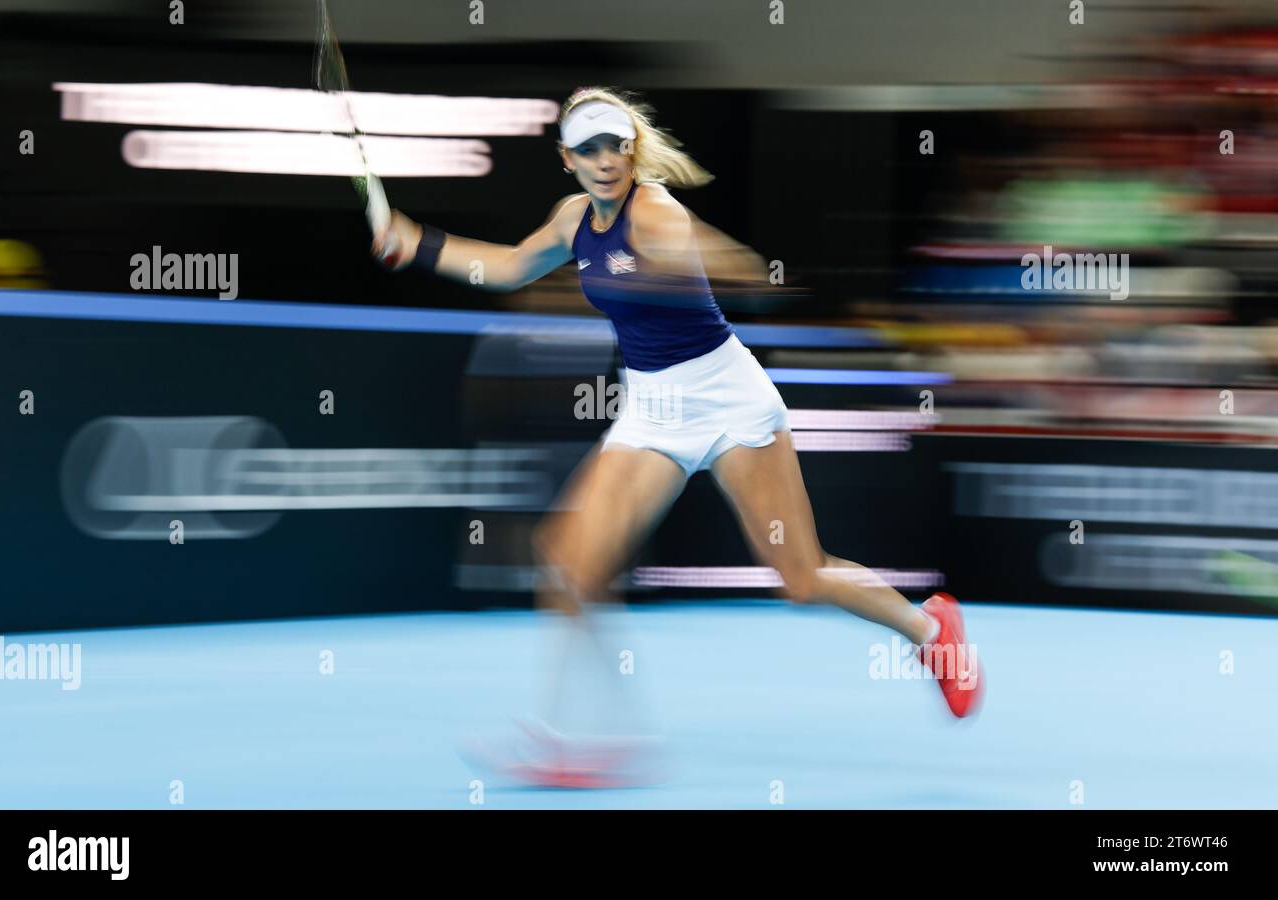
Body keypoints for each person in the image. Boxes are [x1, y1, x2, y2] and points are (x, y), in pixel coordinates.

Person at [374, 86, 983, 788]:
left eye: (614, 145)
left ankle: (934, 633)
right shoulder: (573, 219)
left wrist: (673, 268)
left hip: (728, 401)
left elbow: (744, 271)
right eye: (588, 149)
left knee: (801, 576)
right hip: (652, 411)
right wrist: (414, 242)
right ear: (567, 158)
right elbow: (509, 266)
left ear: (629, 150)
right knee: (567, 564)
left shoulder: (657, 213)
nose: (604, 160)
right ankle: (582, 738)